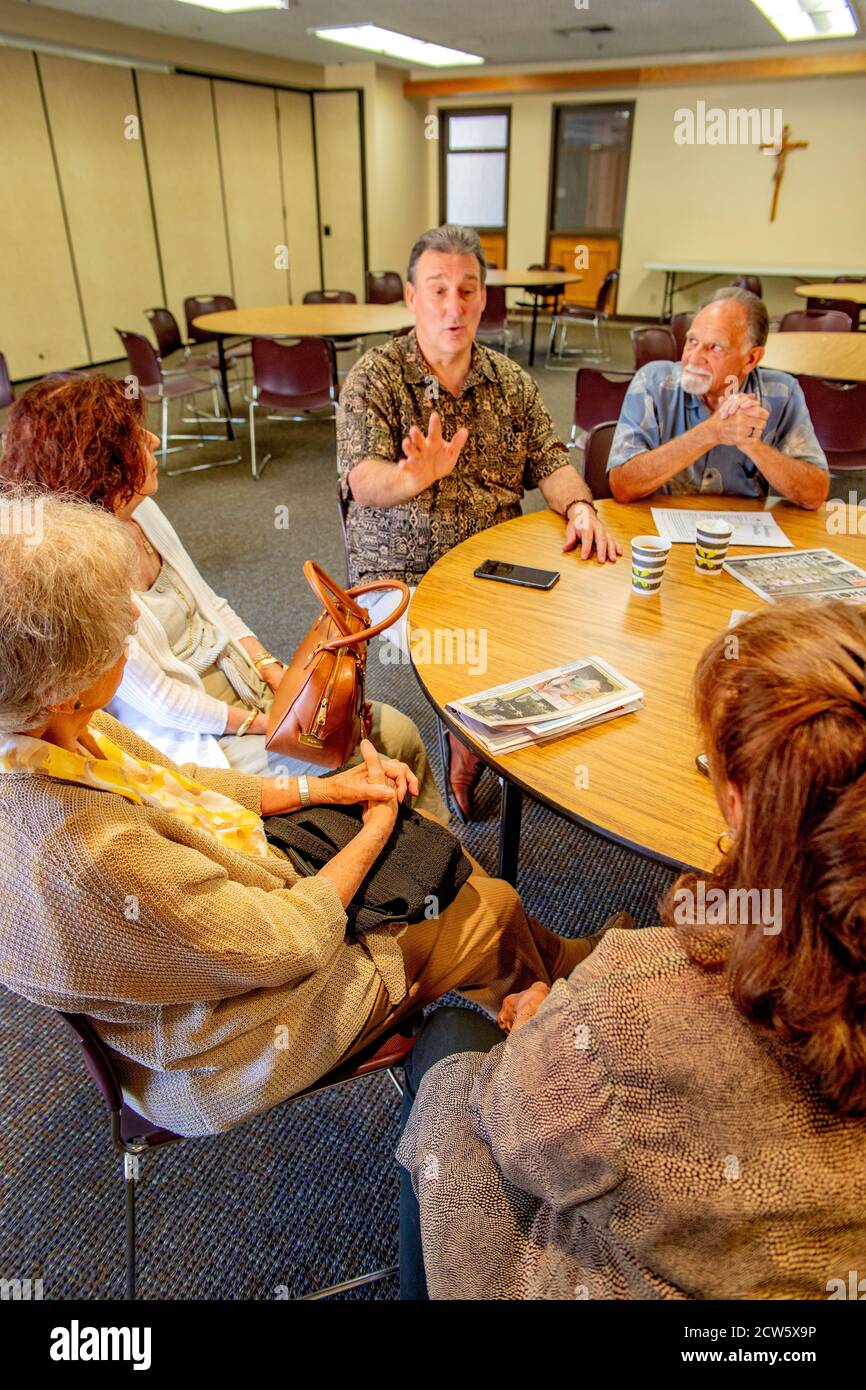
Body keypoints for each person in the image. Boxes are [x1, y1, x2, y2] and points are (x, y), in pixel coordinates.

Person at [0, 492, 602, 1138]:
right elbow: (288, 939)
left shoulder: (51, 735)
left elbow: (183, 785)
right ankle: (555, 1056)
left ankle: (550, 967)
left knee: (436, 858)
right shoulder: (88, 850)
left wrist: (324, 794)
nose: (132, 628)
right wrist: (370, 832)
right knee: (486, 910)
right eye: (119, 631)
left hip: (234, 911)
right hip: (231, 1039)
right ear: (63, 685)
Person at [397, 600, 866, 1299]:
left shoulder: (632, 1001)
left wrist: (544, 1033)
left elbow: (516, 1131)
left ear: (737, 801)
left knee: (451, 1056)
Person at [0, 374, 447, 820]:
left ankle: (442, 861)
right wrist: (269, 723)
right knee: (363, 757)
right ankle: (416, 865)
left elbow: (211, 602)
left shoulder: (142, 511)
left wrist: (276, 674)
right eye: (134, 436)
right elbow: (163, 702)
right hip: (200, 735)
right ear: (101, 461)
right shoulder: (80, 574)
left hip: (242, 688)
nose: (153, 439)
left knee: (390, 731)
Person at [337, 224, 622, 819]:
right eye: (438, 290)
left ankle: (514, 738)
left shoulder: (509, 382)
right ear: (412, 298)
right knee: (472, 648)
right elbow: (363, 481)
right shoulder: (375, 377)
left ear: (484, 299)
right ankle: (466, 740)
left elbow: (551, 459)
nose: (453, 306)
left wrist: (579, 506)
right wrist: (413, 477)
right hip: (399, 573)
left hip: (493, 560)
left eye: (468, 290)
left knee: (589, 605)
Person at [607, 287, 829, 508]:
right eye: (692, 342)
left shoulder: (782, 393)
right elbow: (622, 486)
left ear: (751, 358)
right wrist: (712, 432)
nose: (693, 358)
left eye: (715, 347)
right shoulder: (654, 382)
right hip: (656, 530)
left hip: (741, 532)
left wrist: (752, 444)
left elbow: (814, 495)